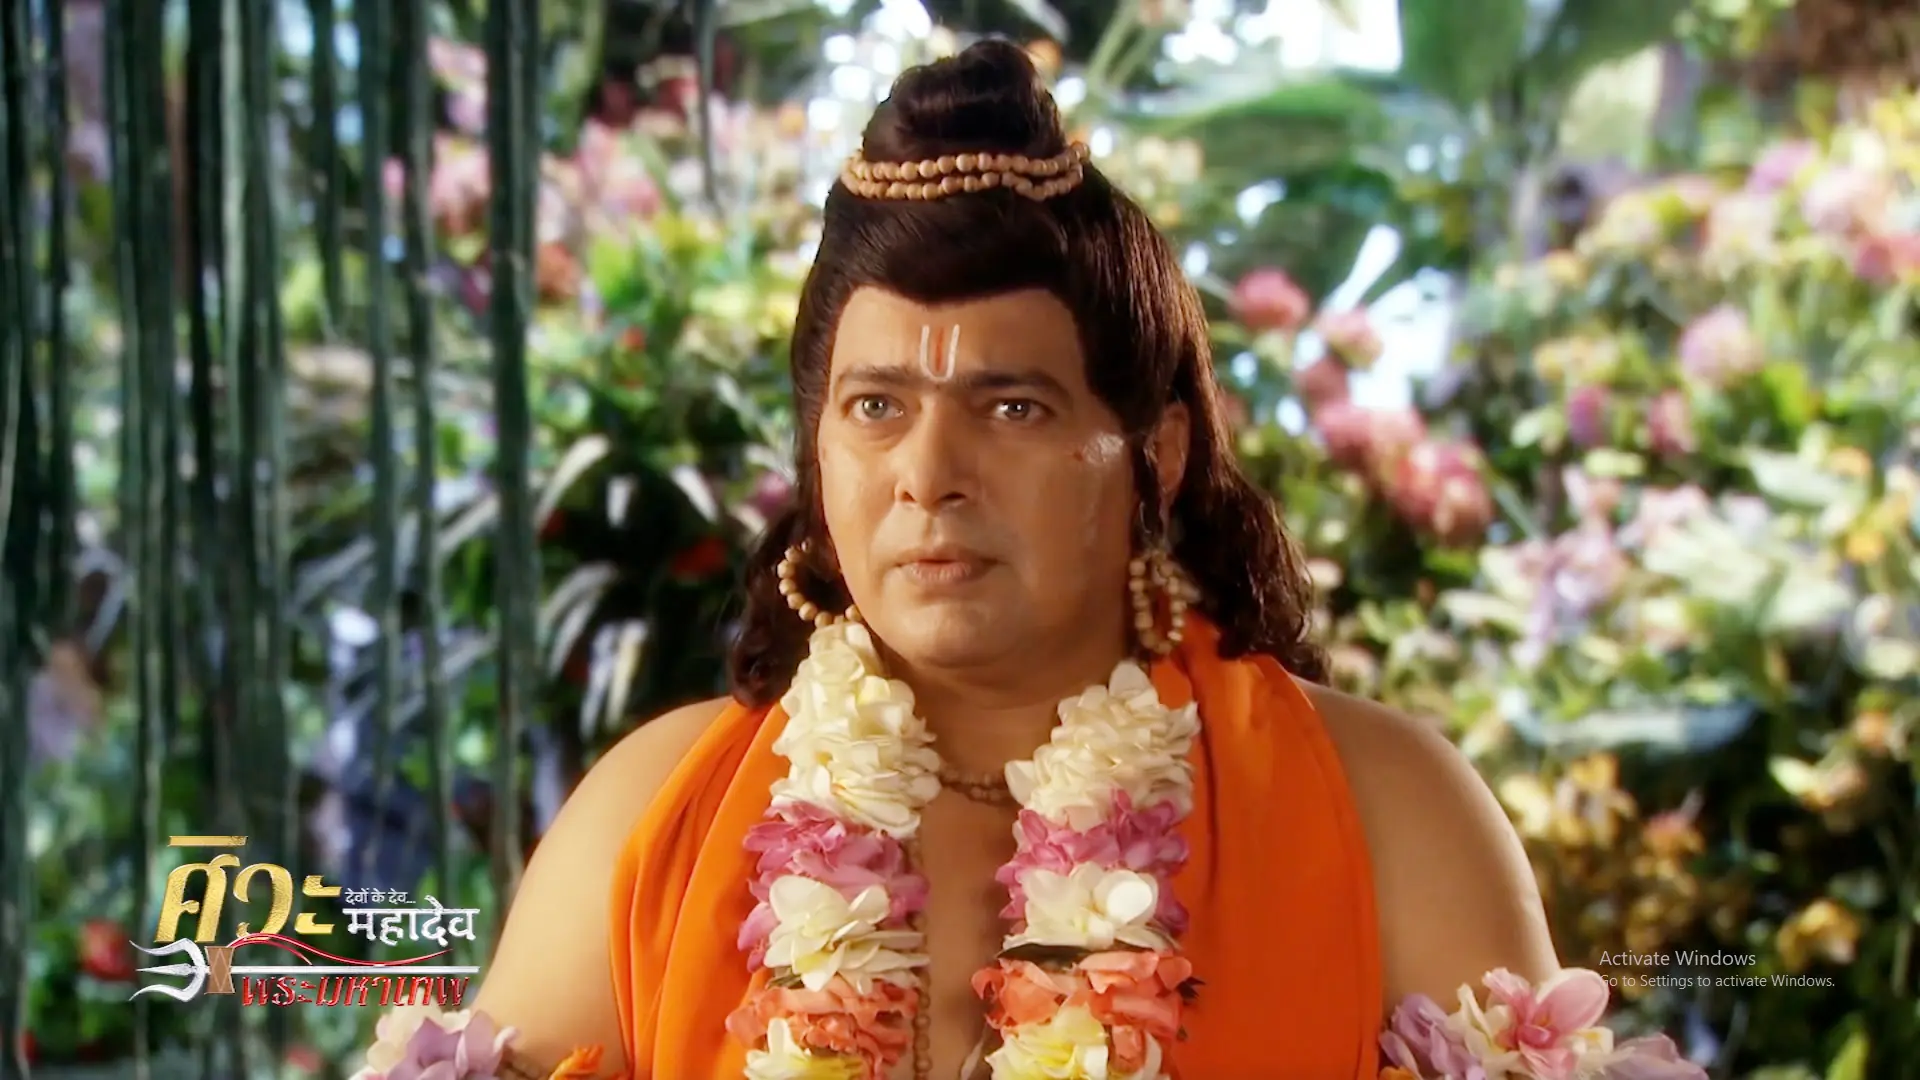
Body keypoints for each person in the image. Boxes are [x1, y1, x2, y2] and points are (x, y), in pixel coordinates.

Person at [390, 39, 1699, 1080]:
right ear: (819, 450)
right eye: (875, 406)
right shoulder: (652, 817)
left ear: (1156, 455)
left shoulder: (1386, 810)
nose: (930, 473)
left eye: (1012, 407)